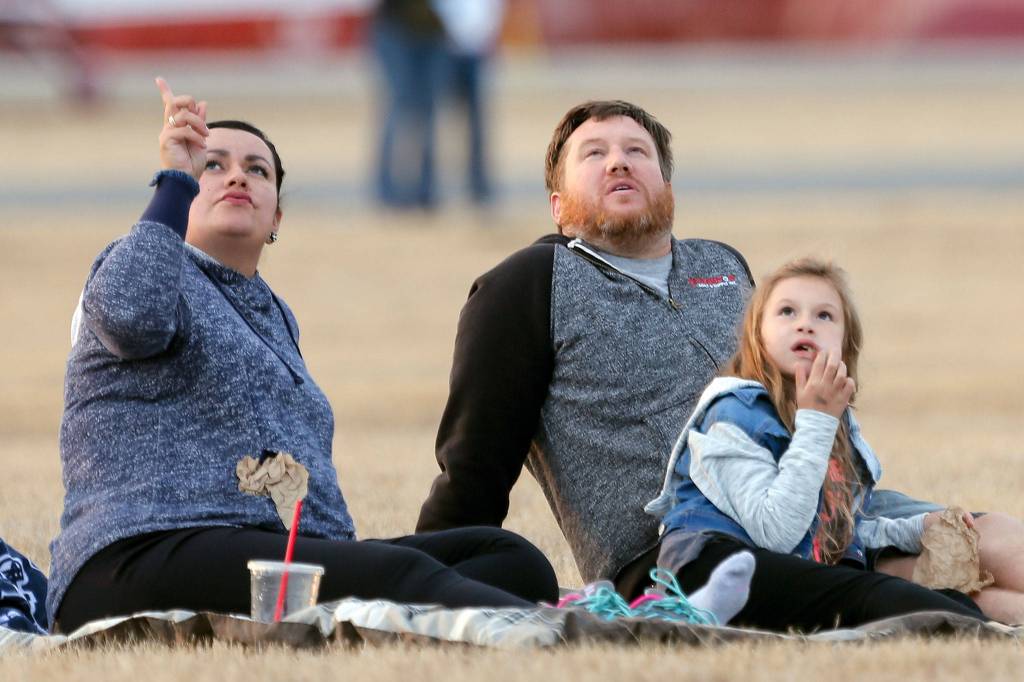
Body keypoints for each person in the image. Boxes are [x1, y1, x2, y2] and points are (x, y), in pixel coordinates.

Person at [416, 98, 1024, 618]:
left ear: (668, 189)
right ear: (557, 205)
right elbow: (473, 467)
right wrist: (421, 577)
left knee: (990, 541)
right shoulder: (527, 285)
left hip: (814, 511)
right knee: (955, 601)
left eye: (637, 151)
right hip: (686, 549)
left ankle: (942, 607)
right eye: (593, 154)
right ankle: (946, 613)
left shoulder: (722, 266)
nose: (619, 160)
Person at [46, 78, 559, 634]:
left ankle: (387, 608)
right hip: (137, 553)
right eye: (212, 166)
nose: (237, 175)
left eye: (257, 170)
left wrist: (338, 554)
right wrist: (173, 177)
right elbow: (131, 317)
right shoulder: (138, 264)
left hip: (256, 552)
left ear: (276, 220)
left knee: (509, 558)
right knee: (402, 571)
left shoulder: (272, 314)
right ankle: (547, 637)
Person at [645, 258, 993, 631]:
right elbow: (776, 531)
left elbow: (837, 533)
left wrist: (917, 528)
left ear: (846, 345)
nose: (804, 322)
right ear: (756, 336)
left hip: (786, 572)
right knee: (893, 600)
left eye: (824, 315)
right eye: (786, 311)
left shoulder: (831, 424)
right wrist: (817, 423)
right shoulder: (732, 413)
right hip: (715, 563)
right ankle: (691, 613)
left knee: (951, 602)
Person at [369, 0, 447, 209]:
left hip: (434, 29)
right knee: (399, 109)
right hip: (396, 26)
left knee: (427, 111)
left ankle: (425, 191)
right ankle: (388, 192)